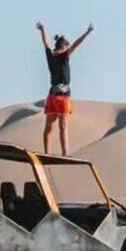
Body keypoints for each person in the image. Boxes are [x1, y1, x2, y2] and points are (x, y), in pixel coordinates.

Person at [35, 21, 94, 156]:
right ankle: (65, 154)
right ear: (64, 46)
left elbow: (46, 44)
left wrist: (42, 31)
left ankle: (47, 153)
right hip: (62, 95)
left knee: (48, 127)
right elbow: (76, 44)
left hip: (51, 95)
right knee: (63, 127)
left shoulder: (51, 56)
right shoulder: (64, 56)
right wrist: (87, 33)